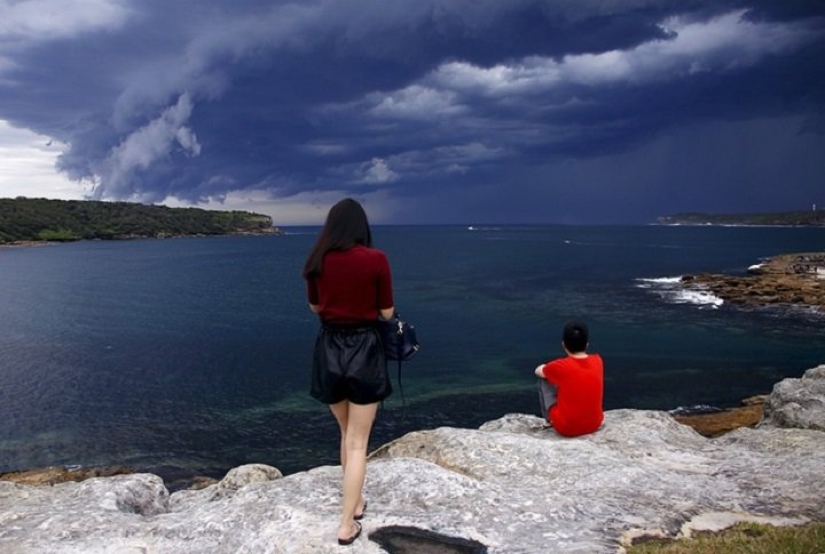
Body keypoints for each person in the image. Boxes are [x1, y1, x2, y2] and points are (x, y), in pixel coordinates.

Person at [302, 198, 394, 546]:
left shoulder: (317, 259)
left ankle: (355, 502)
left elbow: (315, 306)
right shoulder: (376, 260)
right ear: (361, 227)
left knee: (345, 433)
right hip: (364, 350)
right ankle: (346, 525)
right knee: (358, 442)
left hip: (329, 350)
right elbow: (386, 313)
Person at [534, 320, 604, 437]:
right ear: (587, 344)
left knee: (544, 379)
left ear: (564, 345)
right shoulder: (598, 360)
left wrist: (546, 368)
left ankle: (548, 421)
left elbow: (538, 371)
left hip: (567, 428)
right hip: (594, 424)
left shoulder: (561, 366)